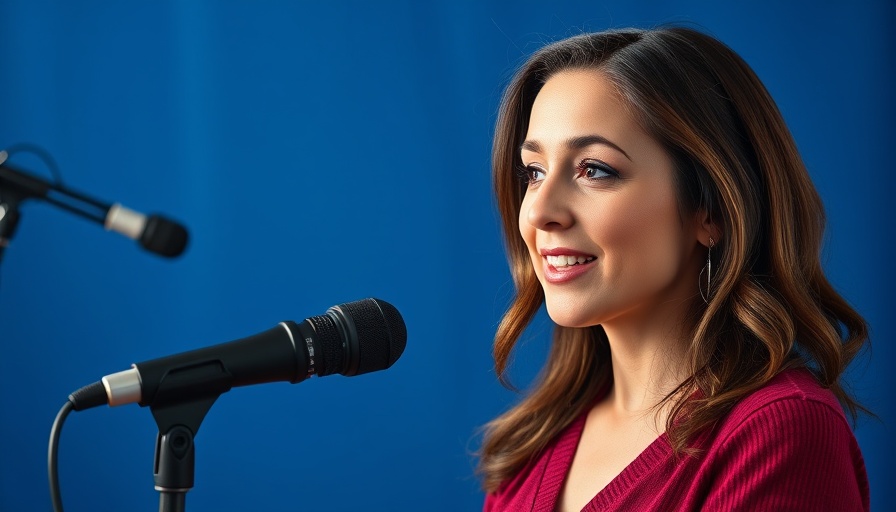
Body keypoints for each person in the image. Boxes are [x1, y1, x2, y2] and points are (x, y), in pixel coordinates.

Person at [478, 26, 869, 511]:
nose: (538, 212)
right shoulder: (531, 445)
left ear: (712, 210)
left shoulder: (780, 432)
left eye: (594, 169)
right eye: (534, 172)